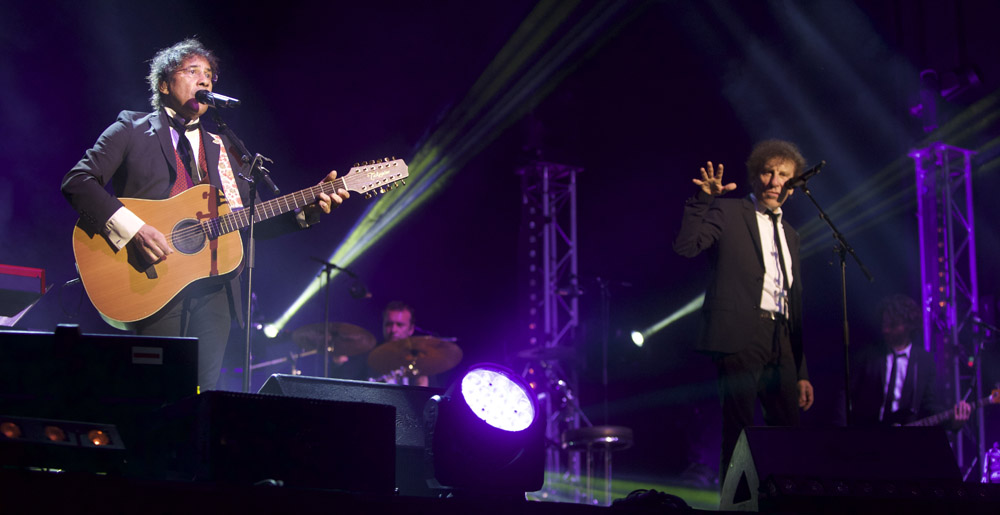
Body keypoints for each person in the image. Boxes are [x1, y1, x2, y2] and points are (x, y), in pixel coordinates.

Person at [61, 39, 349, 391]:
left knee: (202, 395)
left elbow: (247, 219)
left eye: (210, 76)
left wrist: (304, 212)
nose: (205, 81)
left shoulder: (223, 147)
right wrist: (135, 229)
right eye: (193, 71)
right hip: (148, 277)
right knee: (154, 391)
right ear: (164, 84)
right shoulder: (131, 130)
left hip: (216, 287)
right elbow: (78, 182)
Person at [673, 139, 815, 486]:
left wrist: (801, 369)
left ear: (793, 186)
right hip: (739, 333)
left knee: (789, 430)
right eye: (768, 172)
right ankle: (735, 505)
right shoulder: (729, 211)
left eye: (784, 175)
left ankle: (785, 502)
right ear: (754, 177)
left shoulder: (792, 235)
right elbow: (686, 246)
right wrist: (704, 200)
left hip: (780, 339)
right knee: (739, 429)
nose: (774, 181)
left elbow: (792, 303)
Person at [849, 294, 971, 428]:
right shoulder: (869, 356)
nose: (886, 330)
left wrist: (952, 421)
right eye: (884, 324)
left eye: (893, 325)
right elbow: (846, 393)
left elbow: (929, 406)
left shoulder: (924, 361)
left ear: (909, 326)